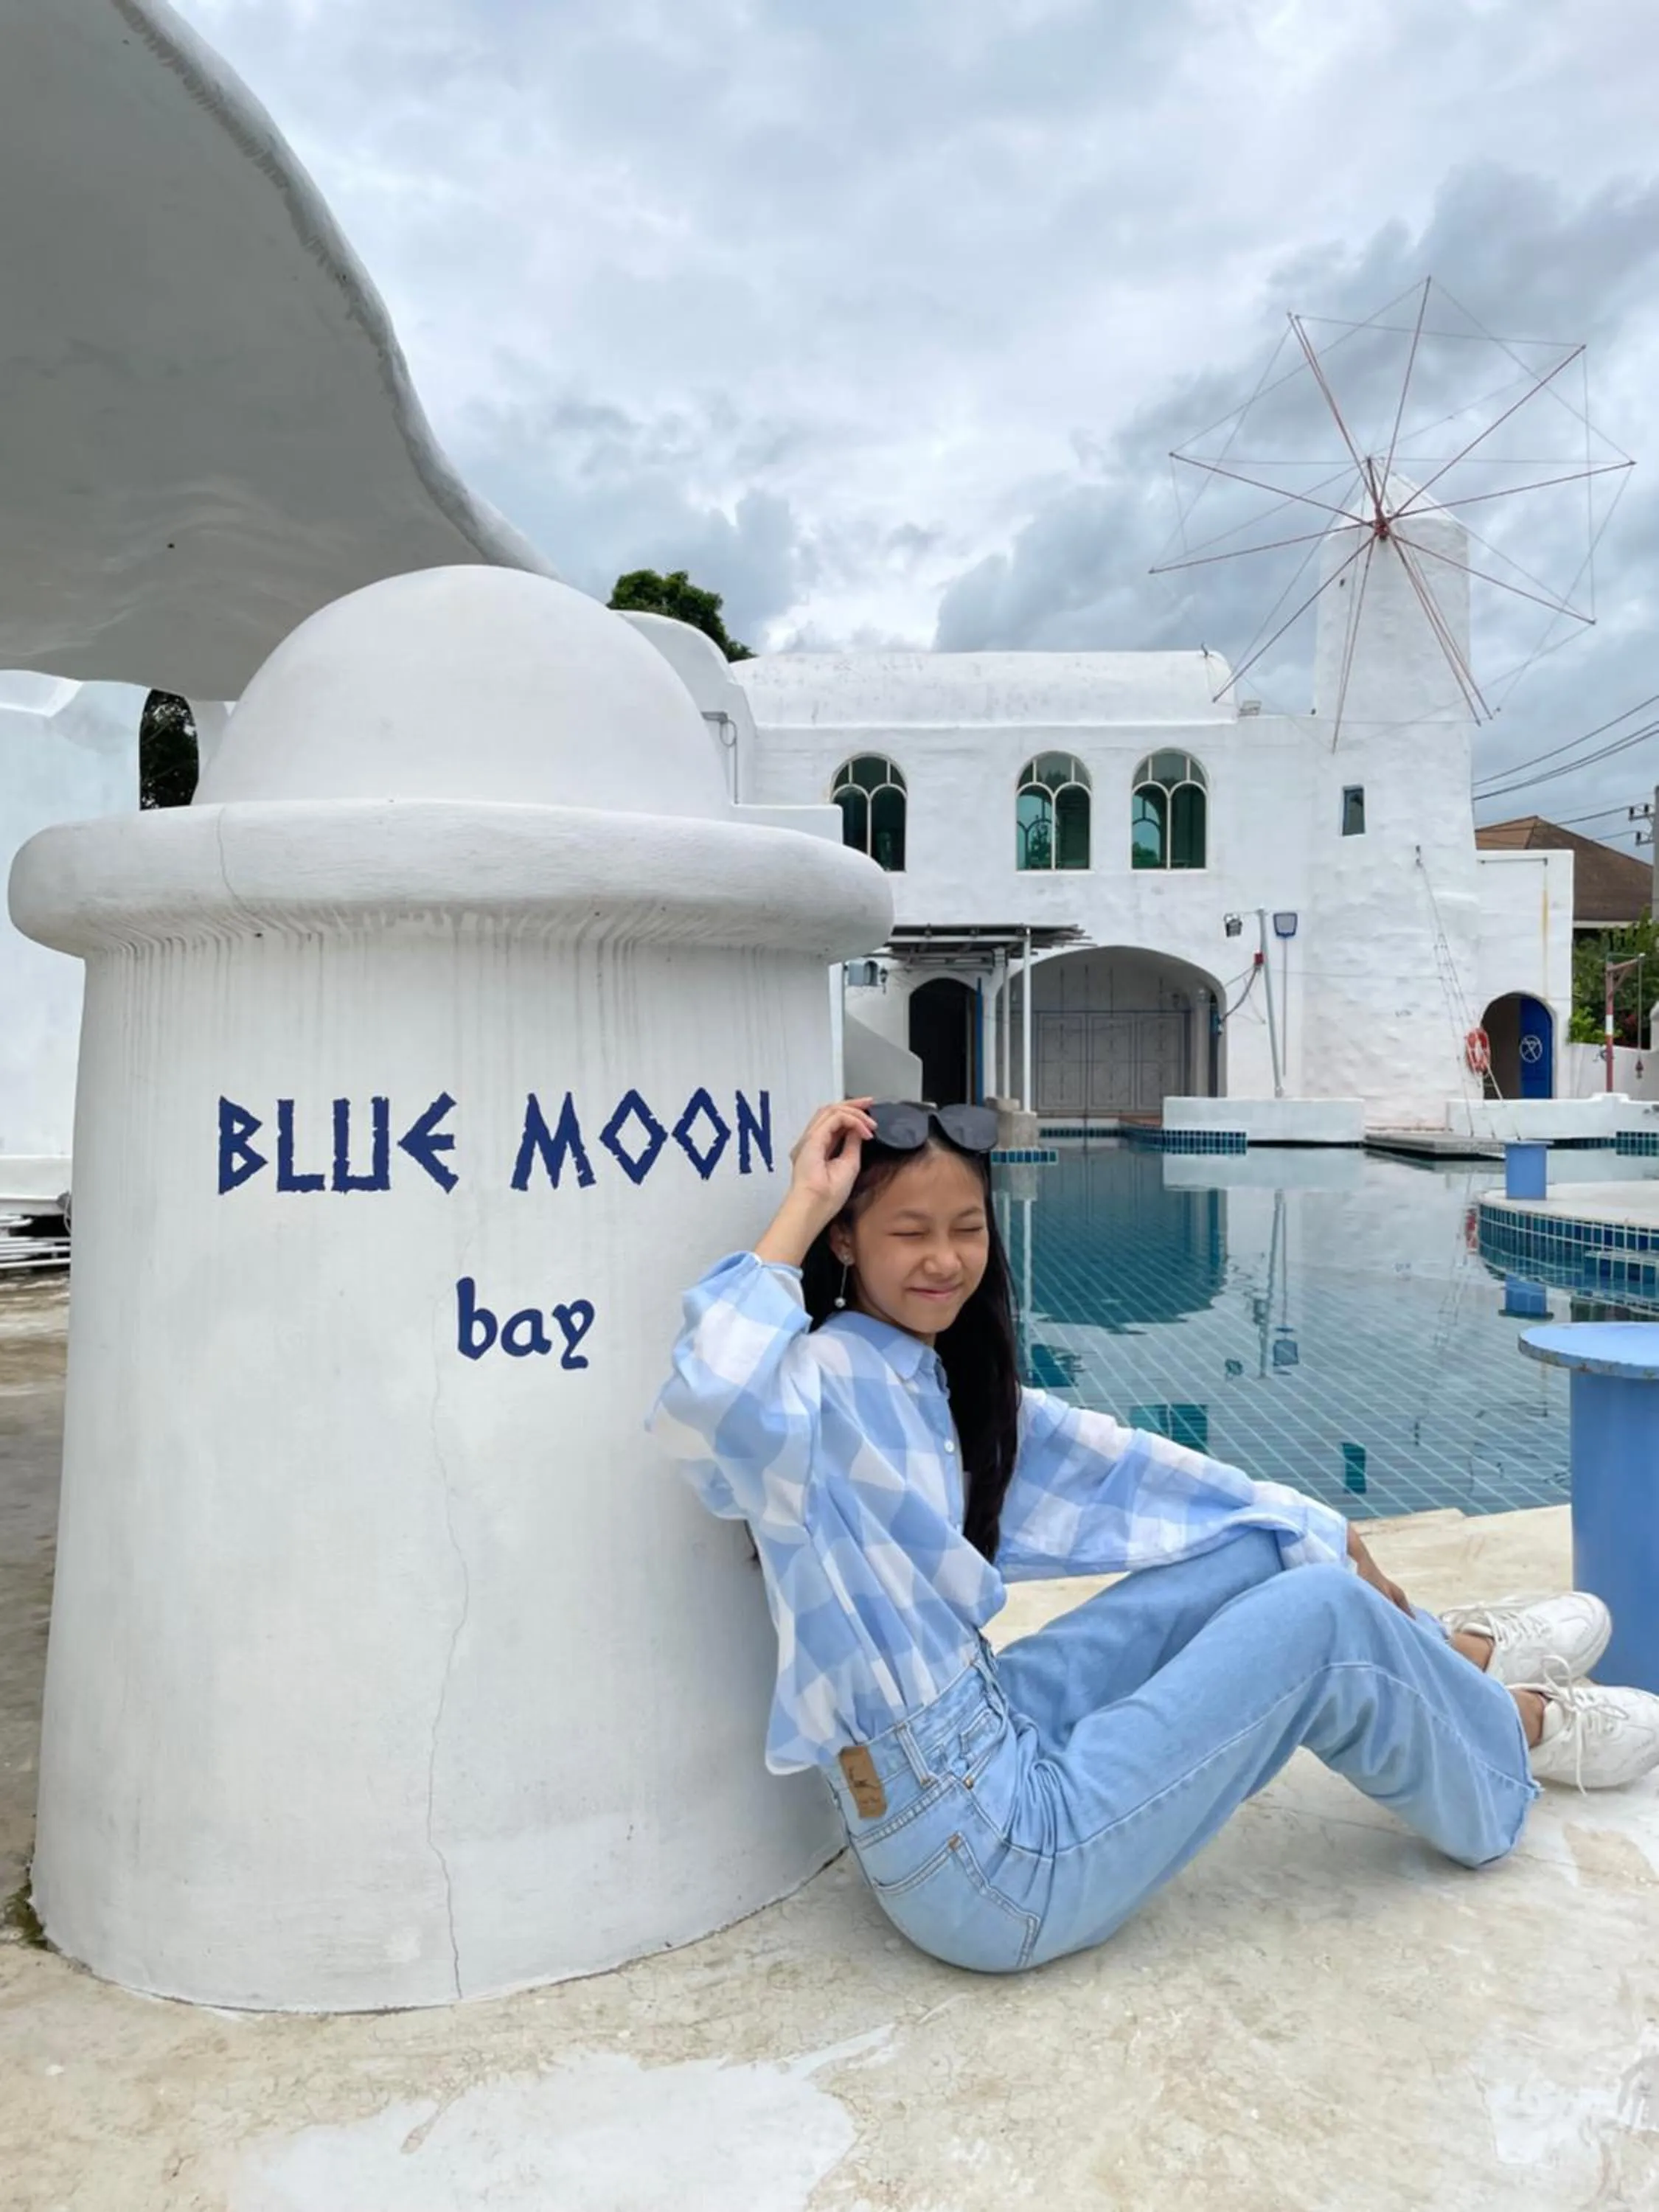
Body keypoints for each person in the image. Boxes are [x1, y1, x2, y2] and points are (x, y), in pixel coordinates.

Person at [650, 1099, 1659, 1974]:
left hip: (991, 1728)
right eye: (907, 1232)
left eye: (965, 1228)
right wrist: (803, 1202)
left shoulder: (929, 1376)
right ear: (845, 1243)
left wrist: (1317, 1524)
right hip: (990, 1864)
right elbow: (707, 1395)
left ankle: (1451, 1661)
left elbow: (1125, 1468)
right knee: (1319, 1619)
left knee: (1261, 1545)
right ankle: (1511, 1741)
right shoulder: (819, 1387)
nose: (945, 1260)